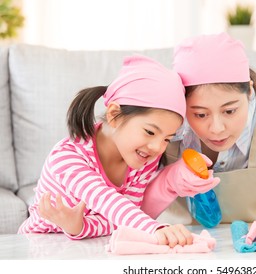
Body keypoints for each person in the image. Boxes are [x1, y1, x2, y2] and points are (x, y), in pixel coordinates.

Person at [140, 33, 256, 245]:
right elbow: (129, 206)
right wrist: (166, 182)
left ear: (249, 91)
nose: (217, 129)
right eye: (200, 114)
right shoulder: (166, 124)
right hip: (176, 249)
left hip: (254, 248)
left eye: (230, 111)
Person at [18, 55, 218, 247]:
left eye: (167, 138)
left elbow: (121, 220)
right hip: (39, 245)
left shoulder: (143, 160)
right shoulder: (67, 158)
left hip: (95, 246)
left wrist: (80, 227)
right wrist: (155, 229)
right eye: (150, 132)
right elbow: (108, 202)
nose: (158, 148)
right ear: (114, 115)